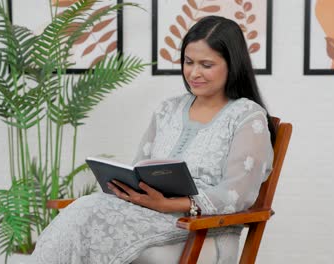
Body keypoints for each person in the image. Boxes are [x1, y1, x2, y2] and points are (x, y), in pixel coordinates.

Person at [32, 15, 275, 264]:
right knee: (85, 209)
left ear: (232, 65)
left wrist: (169, 205)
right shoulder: (168, 109)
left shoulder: (247, 116)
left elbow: (236, 195)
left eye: (206, 65)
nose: (194, 73)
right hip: (147, 218)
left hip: (203, 229)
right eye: (188, 62)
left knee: (86, 213)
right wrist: (131, 190)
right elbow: (138, 168)